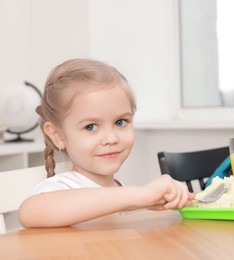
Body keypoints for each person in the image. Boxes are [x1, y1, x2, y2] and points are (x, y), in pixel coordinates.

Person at [19, 59, 194, 228]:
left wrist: (151, 200)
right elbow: (29, 212)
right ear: (57, 135)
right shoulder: (62, 187)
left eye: (120, 122)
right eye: (90, 127)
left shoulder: (119, 188)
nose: (111, 138)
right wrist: (137, 195)